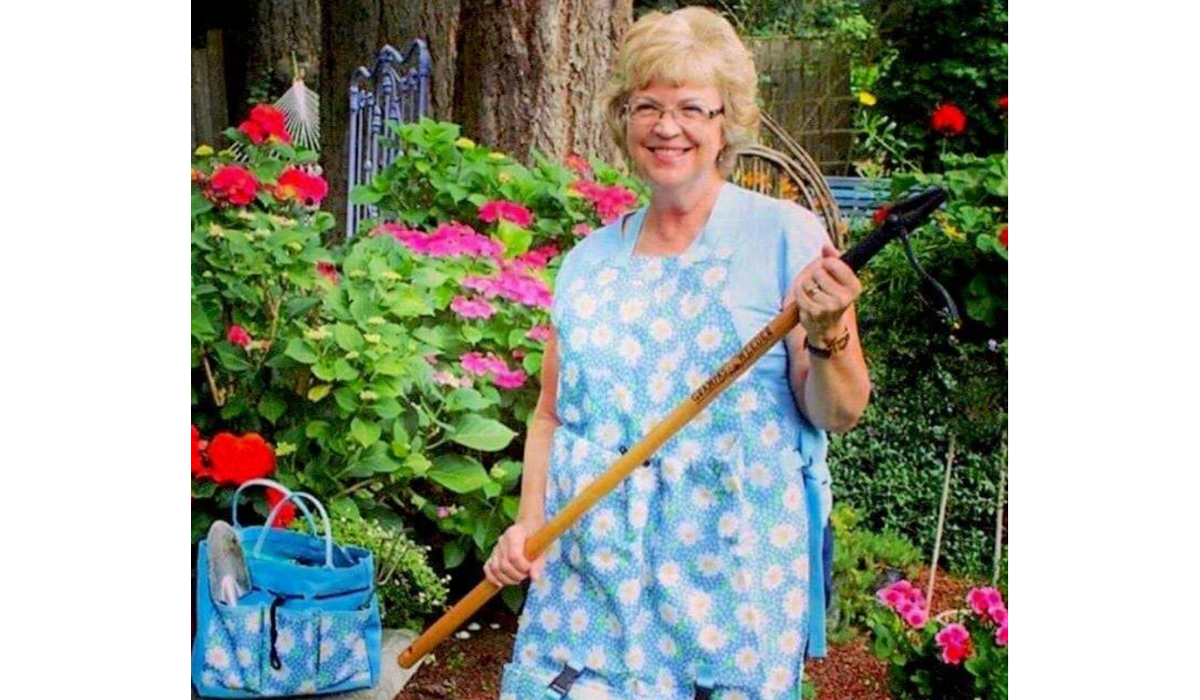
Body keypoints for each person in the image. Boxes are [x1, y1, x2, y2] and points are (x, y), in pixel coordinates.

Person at [489, 7, 871, 699]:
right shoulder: (586, 263)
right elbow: (550, 417)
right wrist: (528, 525)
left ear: (726, 121)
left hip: (726, 582)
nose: (668, 128)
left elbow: (838, 412)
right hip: (592, 574)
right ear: (624, 118)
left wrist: (830, 330)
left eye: (692, 107)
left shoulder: (783, 236)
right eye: (649, 107)